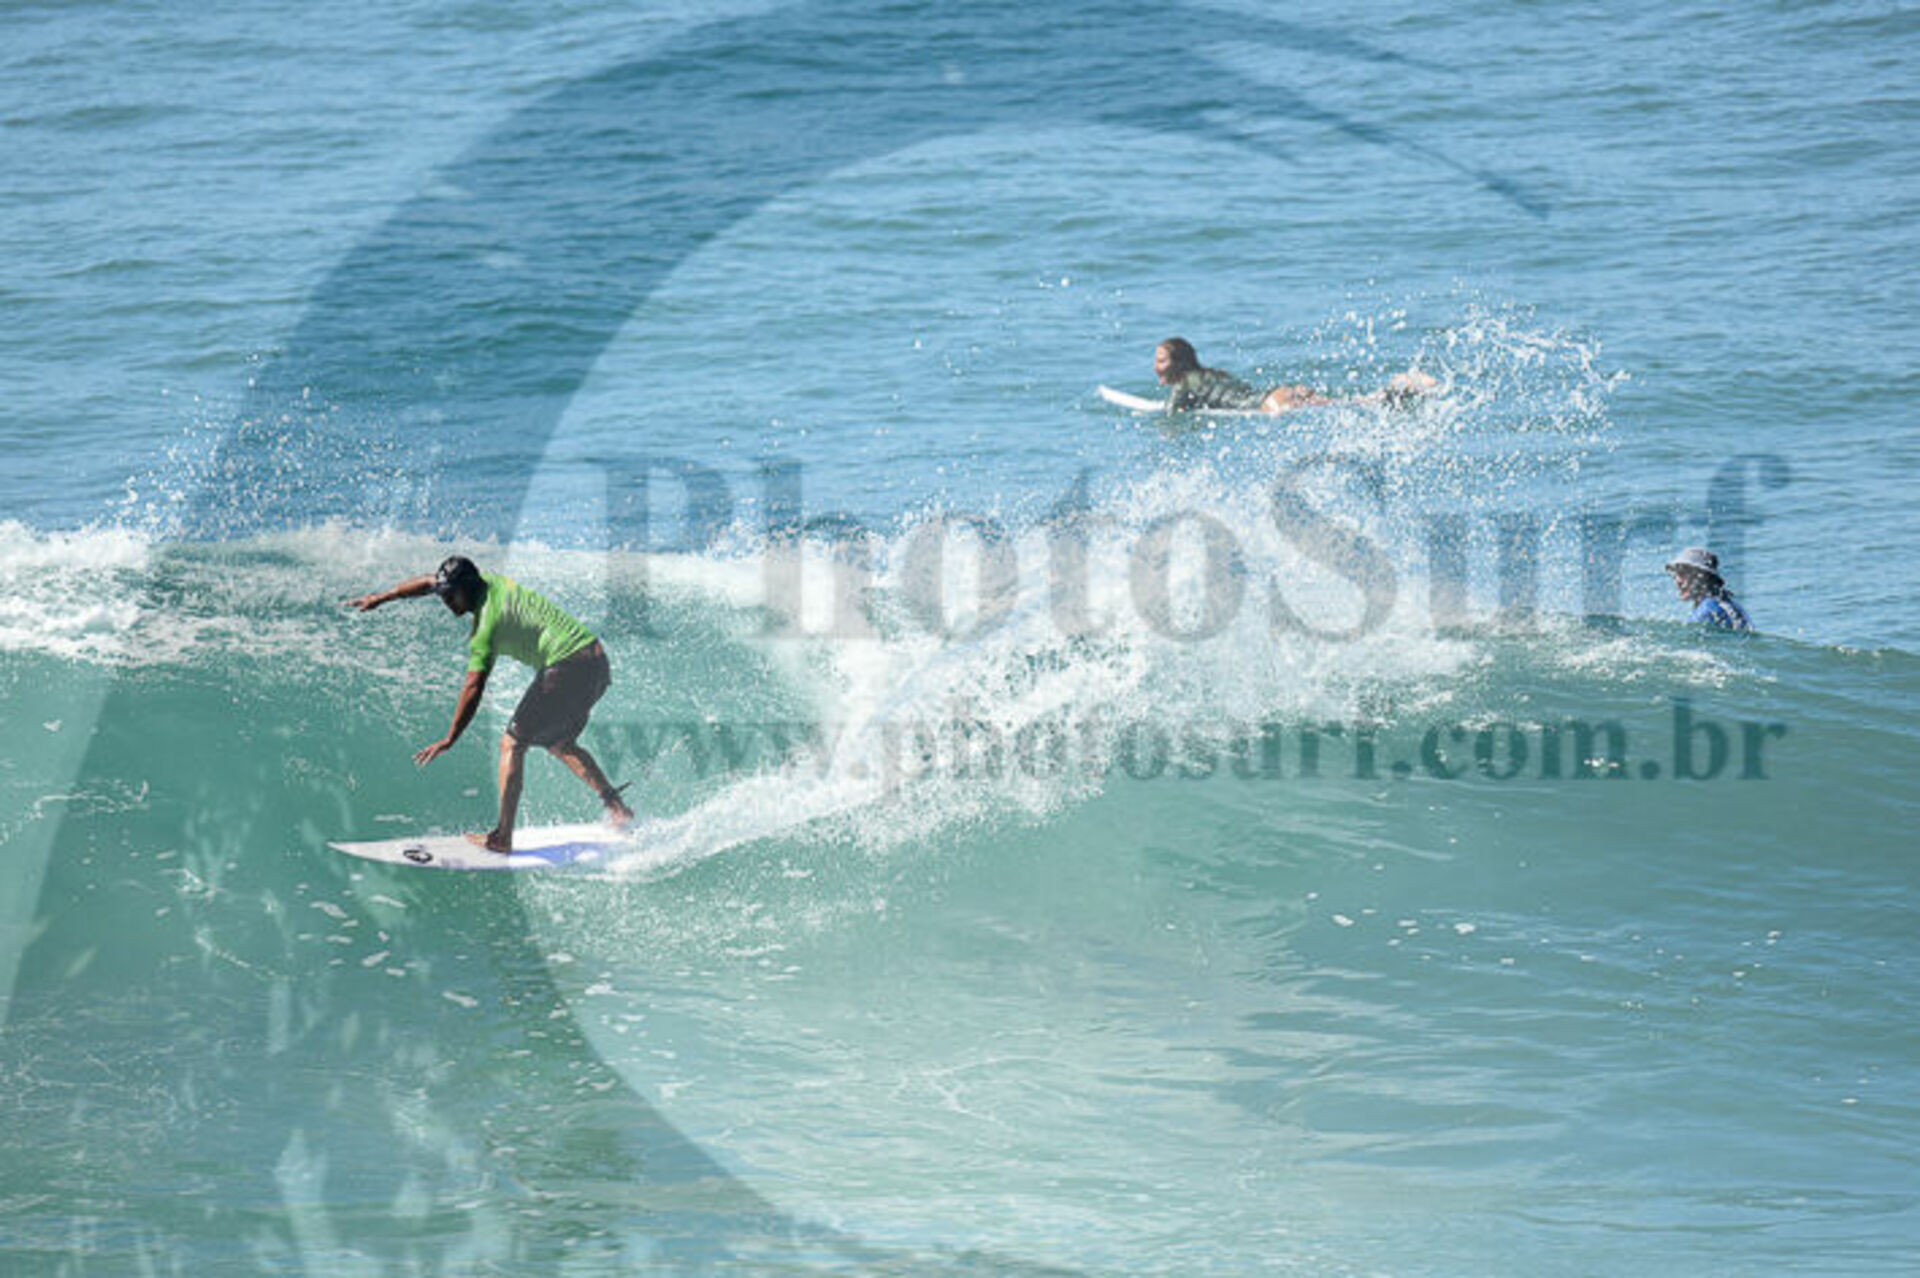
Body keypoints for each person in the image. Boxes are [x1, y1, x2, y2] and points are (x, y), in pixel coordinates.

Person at [348, 556, 633, 852]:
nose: (446, 601)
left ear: (468, 588)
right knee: (560, 743)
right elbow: (428, 582)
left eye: (451, 595)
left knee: (512, 744)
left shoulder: (487, 624)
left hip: (567, 665)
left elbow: (474, 686)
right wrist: (382, 598)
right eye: (444, 594)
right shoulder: (483, 581)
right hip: (595, 661)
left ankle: (502, 837)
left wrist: (450, 738)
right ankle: (617, 808)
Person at [1153, 336, 1437, 415]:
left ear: (1179, 362)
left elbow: (1171, 414)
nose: (1156, 366)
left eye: (1162, 360)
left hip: (1268, 404)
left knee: (1349, 405)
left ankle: (1398, 390)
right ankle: (1399, 389)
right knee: (1350, 402)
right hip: (1280, 392)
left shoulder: (1185, 383)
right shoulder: (1215, 374)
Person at [1665, 546, 1752, 631]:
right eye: (1675, 575)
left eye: (1683, 573)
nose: (1678, 581)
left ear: (1702, 577)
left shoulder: (1706, 610)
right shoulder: (1732, 605)